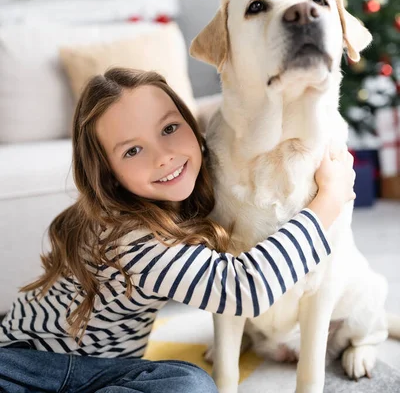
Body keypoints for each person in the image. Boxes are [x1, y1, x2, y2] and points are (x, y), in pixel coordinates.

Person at [0, 68, 356, 393]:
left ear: (190, 123)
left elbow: (245, 119)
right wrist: (329, 201)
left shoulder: (176, 190)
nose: (164, 156)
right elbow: (243, 288)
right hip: (26, 367)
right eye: (133, 150)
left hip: (101, 371)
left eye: (169, 129)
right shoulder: (132, 241)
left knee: (189, 382)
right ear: (108, 174)